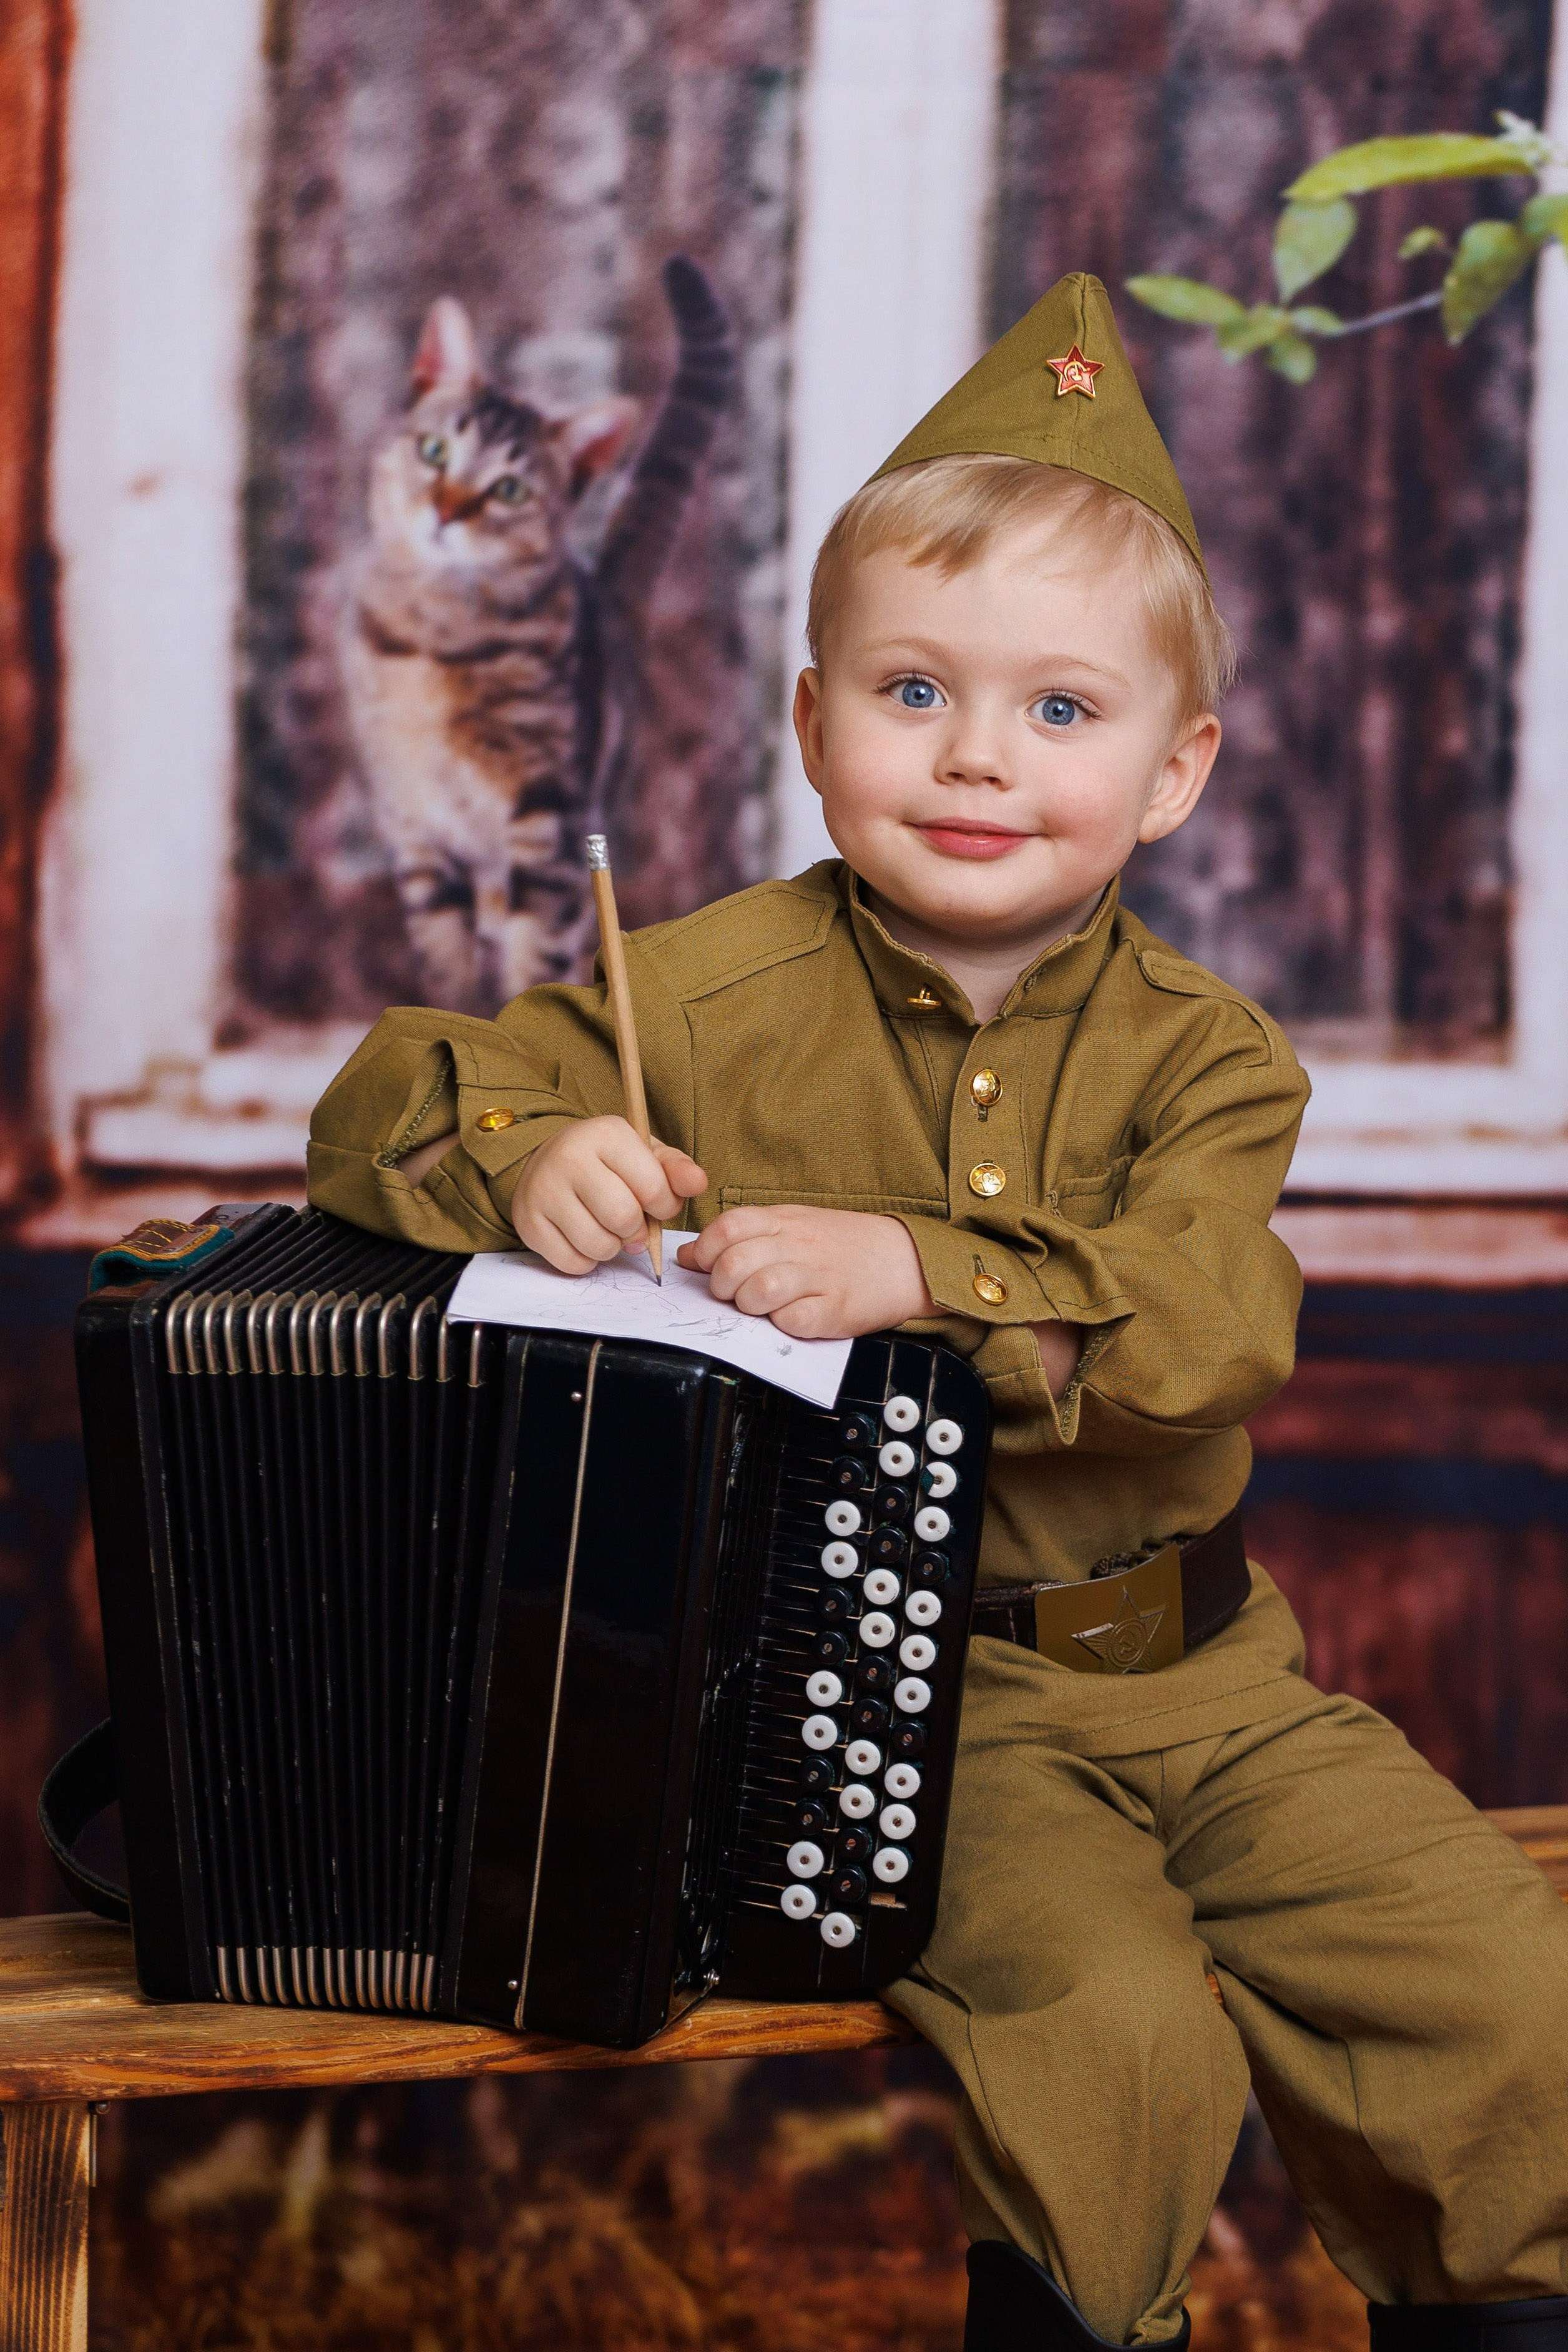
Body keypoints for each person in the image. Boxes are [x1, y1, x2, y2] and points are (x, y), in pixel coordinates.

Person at [309, 275, 1568, 2351]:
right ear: (814, 727)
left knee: (1504, 1988)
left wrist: (921, 1274)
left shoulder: (1214, 1059)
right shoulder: (693, 997)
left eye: (1063, 712)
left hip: (1220, 1680)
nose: (978, 755)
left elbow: (1209, 1323)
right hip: (905, 1710)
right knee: (1113, 2035)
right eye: (914, 692)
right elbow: (393, 1096)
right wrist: (528, 1157)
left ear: (1174, 772)